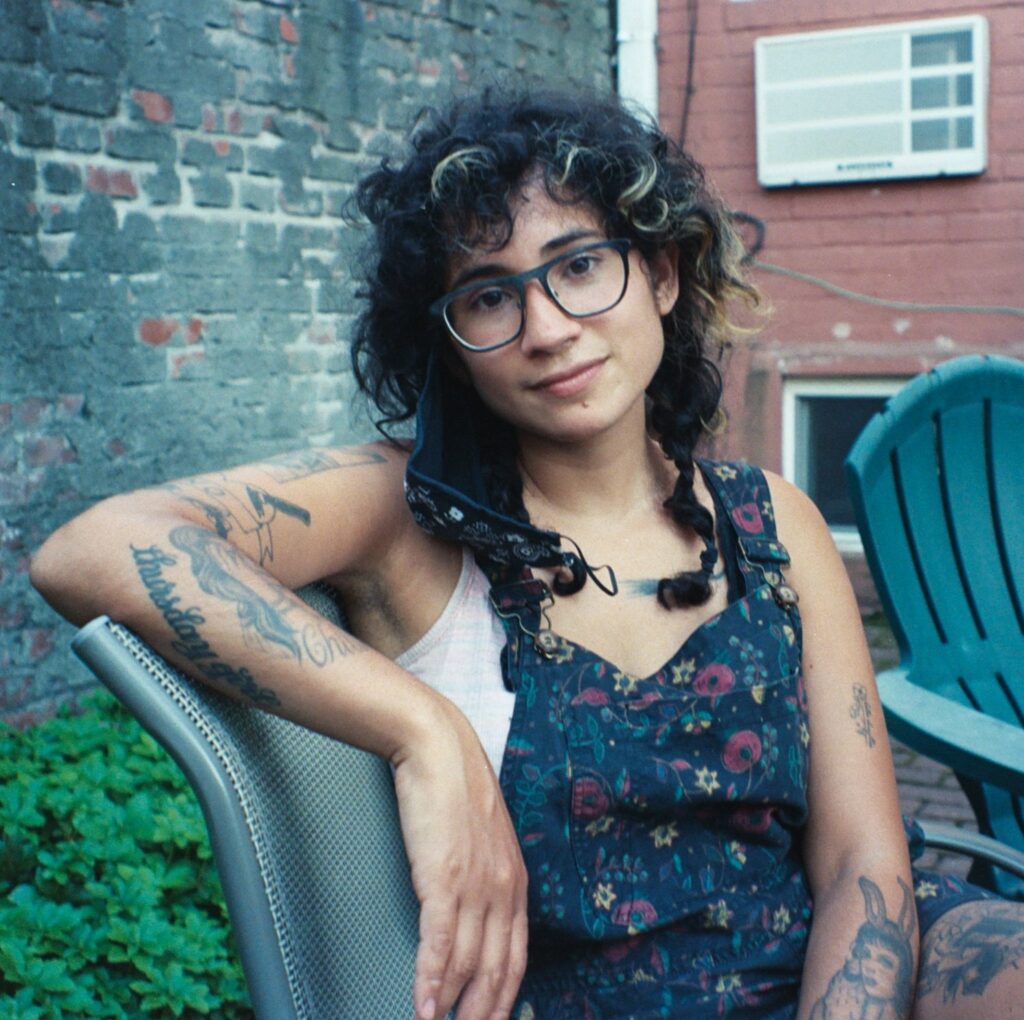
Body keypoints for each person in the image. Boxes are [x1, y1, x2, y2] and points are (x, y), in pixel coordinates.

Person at [31, 85, 1024, 1020]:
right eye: (490, 297)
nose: (546, 329)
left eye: (580, 265)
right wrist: (423, 730)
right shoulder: (408, 514)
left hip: (824, 969)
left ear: (662, 274)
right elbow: (94, 549)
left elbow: (859, 854)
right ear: (448, 339)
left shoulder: (774, 521)